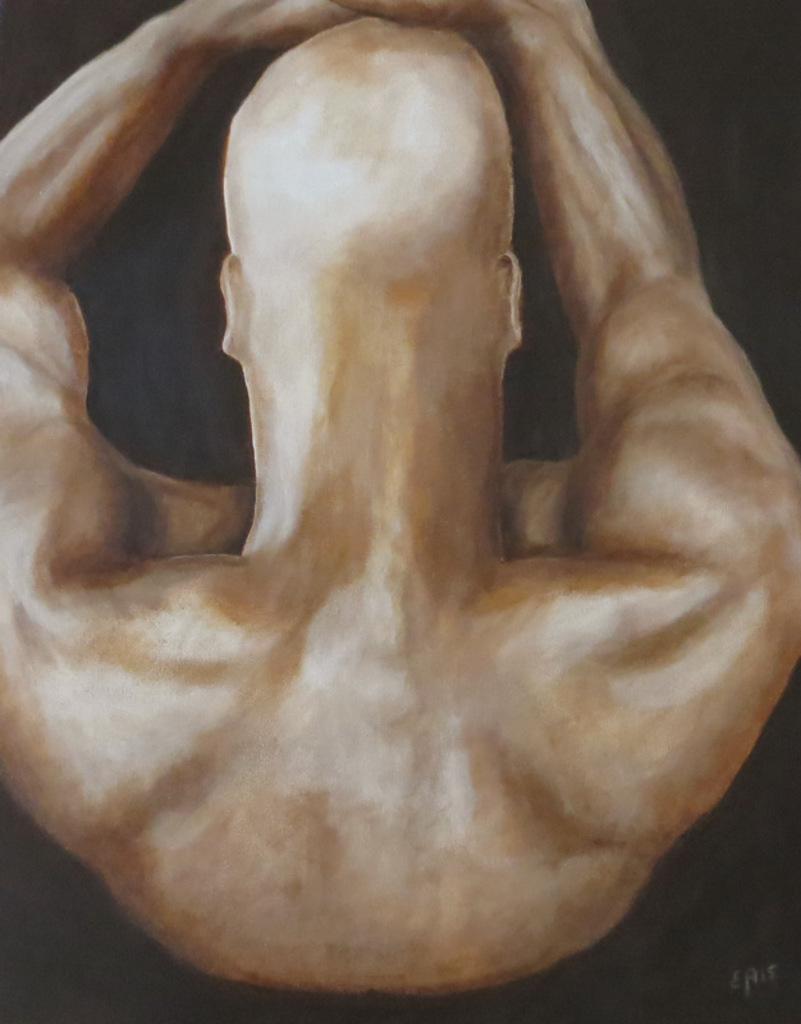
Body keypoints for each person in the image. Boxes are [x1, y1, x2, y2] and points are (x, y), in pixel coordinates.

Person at [0, 0, 798, 995]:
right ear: (510, 302)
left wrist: (185, 38)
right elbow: (648, 288)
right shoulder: (717, 585)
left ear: (233, 306)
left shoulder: (59, 631)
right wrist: (546, 29)